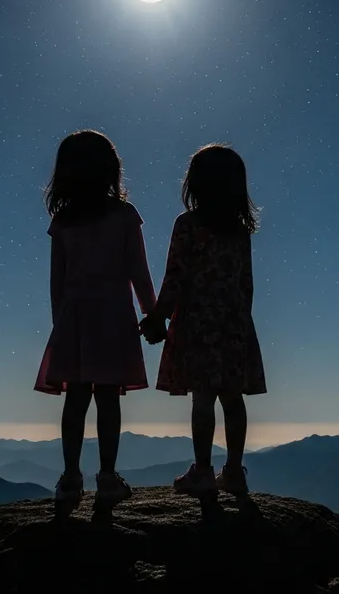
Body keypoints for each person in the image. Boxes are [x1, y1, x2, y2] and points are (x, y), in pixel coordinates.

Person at [34, 130, 156, 507]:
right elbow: (139, 271)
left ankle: (70, 478)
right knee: (107, 398)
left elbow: (57, 282)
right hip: (113, 319)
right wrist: (152, 314)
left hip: (73, 320)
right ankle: (106, 476)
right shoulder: (123, 216)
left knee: (75, 400)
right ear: (110, 170)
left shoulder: (64, 222)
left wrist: (60, 325)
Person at [140, 143, 267, 496]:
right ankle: (234, 472)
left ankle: (203, 471)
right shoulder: (239, 231)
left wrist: (158, 317)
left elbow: (176, 276)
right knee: (232, 397)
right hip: (235, 324)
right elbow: (246, 284)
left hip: (199, 322)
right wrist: (242, 323)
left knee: (203, 399)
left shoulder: (188, 225)